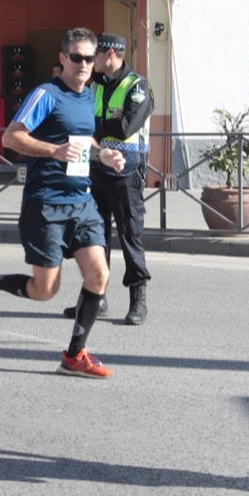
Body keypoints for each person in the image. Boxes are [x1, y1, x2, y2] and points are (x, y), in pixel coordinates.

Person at [0, 28, 126, 377]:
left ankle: (74, 355)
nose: (82, 64)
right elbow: (11, 137)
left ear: (96, 62)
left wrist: (104, 154)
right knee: (44, 291)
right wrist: (54, 150)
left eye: (88, 58)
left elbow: (83, 138)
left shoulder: (87, 96)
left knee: (99, 274)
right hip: (45, 203)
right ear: (63, 59)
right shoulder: (46, 94)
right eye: (75, 57)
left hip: (81, 202)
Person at [88, 32, 155, 324]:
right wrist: (105, 125)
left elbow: (127, 125)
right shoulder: (96, 86)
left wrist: (99, 127)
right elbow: (82, 121)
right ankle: (97, 298)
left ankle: (138, 301)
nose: (92, 61)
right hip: (97, 171)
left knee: (130, 235)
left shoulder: (138, 86)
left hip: (126, 173)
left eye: (96, 56)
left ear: (111, 55)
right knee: (95, 237)